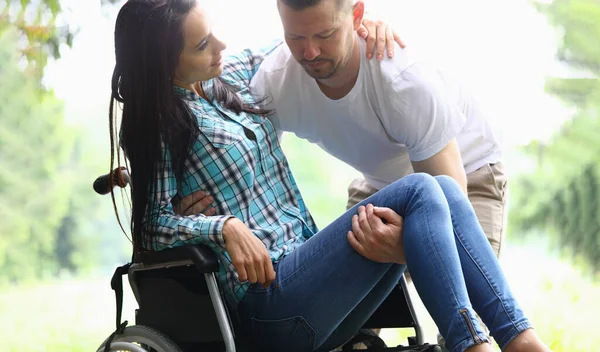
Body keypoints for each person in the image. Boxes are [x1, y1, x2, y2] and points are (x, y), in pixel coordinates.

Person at [108, 1, 551, 352]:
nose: (221, 44)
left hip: (305, 279)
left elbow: (313, 42)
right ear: (165, 63)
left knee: (436, 189)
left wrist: (364, 24)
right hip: (268, 304)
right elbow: (150, 223)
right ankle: (474, 346)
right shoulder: (160, 122)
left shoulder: (233, 76)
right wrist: (221, 227)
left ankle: (518, 339)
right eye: (203, 43)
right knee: (420, 190)